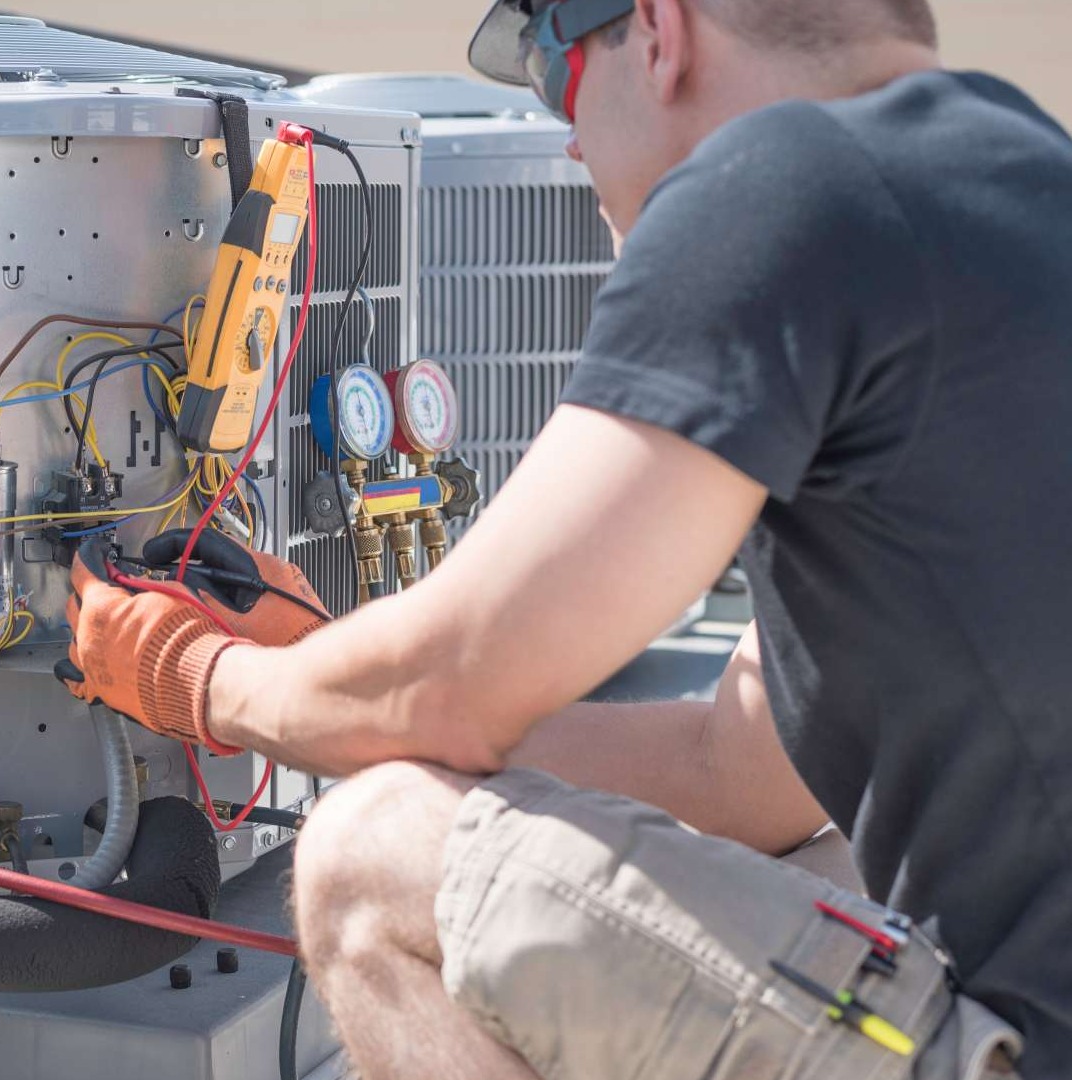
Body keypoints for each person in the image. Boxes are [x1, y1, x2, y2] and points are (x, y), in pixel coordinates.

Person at [58, 0, 1072, 1076]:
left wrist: (203, 681)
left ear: (659, 32)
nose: (569, 135)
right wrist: (321, 671)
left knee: (371, 855)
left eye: (552, 69)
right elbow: (734, 770)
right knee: (816, 847)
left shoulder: (782, 182)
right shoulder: (1021, 175)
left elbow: (453, 682)